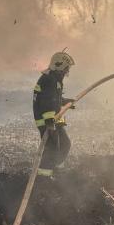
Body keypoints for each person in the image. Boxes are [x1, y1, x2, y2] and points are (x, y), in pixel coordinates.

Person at [33, 51, 76, 179]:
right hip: (48, 122)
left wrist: (65, 102)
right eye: (66, 68)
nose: (67, 72)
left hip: (54, 120)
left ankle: (55, 170)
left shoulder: (53, 79)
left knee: (65, 144)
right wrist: (49, 122)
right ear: (59, 65)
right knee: (52, 149)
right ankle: (43, 177)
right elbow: (46, 102)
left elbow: (54, 98)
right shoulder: (49, 80)